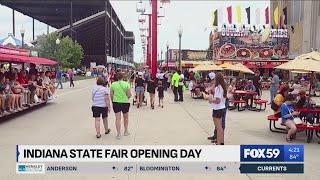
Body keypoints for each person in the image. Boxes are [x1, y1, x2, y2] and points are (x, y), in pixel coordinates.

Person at [110, 72, 132, 139]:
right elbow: (129, 95)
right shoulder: (127, 84)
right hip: (125, 102)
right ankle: (126, 131)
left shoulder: (113, 84)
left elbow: (111, 95)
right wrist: (126, 98)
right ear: (123, 77)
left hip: (116, 102)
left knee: (118, 119)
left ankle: (118, 134)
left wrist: (113, 101)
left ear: (117, 77)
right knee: (126, 118)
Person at [208, 72, 226, 145]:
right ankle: (221, 142)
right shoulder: (222, 86)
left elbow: (217, 100)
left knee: (218, 127)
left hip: (217, 109)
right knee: (220, 127)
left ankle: (218, 143)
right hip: (221, 108)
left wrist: (210, 99)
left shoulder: (218, 88)